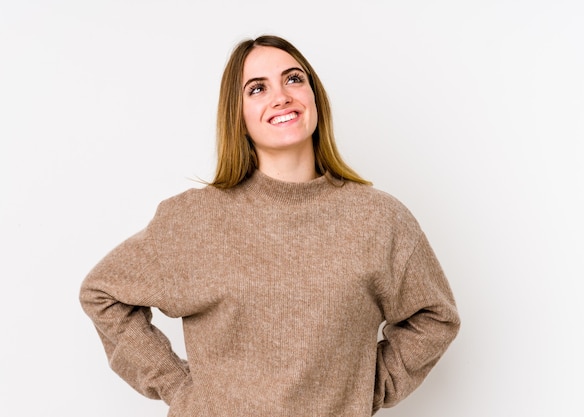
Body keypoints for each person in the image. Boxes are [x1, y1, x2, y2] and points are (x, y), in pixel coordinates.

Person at [79, 35, 460, 417]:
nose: (281, 96)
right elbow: (102, 293)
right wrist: (180, 388)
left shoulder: (378, 219)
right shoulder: (193, 220)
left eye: (294, 79)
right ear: (238, 116)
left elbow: (435, 316)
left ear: (315, 98)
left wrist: (365, 390)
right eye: (257, 89)